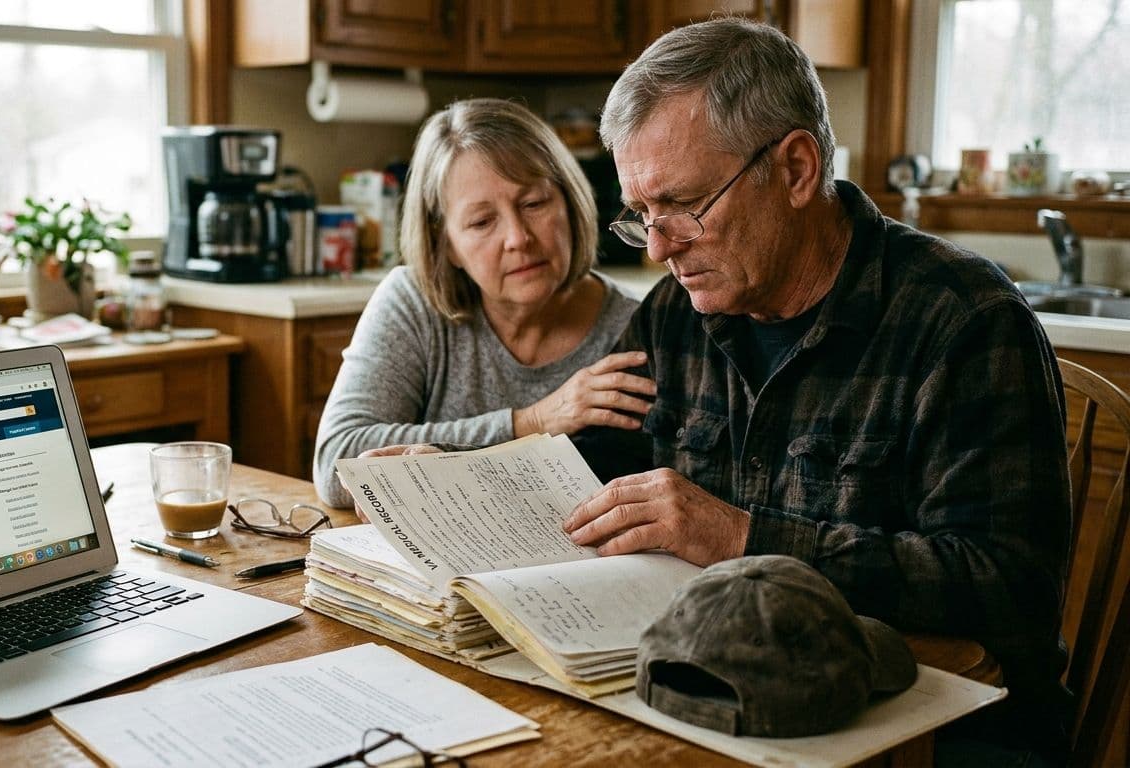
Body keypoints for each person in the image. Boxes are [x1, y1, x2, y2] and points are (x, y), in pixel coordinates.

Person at [556, 17, 1071, 762]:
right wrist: (462, 480)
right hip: (718, 704)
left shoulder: (962, 321)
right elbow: (589, 476)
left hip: (938, 730)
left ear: (796, 169)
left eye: (685, 205)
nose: (661, 248)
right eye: (643, 216)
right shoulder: (677, 313)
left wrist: (739, 539)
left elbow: (1004, 586)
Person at [311, 98, 654, 509]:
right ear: (447, 244)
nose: (518, 238)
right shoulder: (412, 302)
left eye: (533, 204)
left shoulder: (638, 326)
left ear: (570, 201)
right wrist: (531, 422)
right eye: (481, 222)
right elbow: (338, 465)